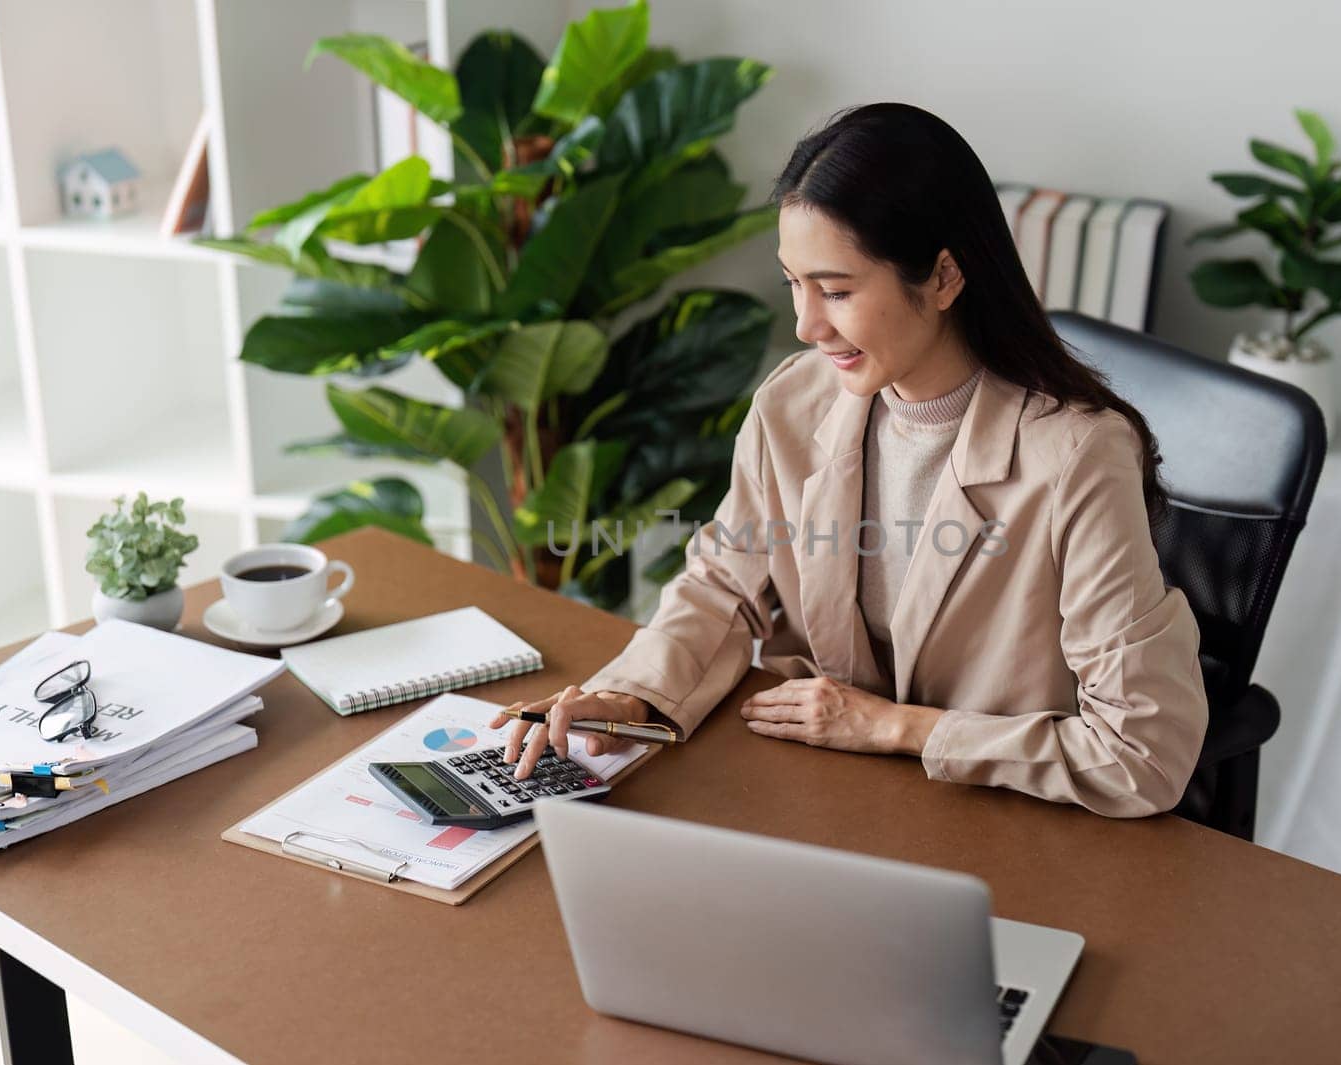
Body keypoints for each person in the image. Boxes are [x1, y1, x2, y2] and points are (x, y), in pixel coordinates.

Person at [490, 102, 1207, 817]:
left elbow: (1142, 753)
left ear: (946, 276)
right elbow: (723, 583)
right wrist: (630, 696)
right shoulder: (793, 403)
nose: (806, 324)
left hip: (1004, 816)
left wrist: (891, 726)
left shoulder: (1079, 454)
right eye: (793, 284)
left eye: (836, 290)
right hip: (832, 802)